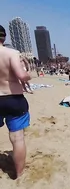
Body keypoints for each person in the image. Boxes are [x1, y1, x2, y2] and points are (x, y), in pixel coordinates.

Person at [0, 25, 31, 178]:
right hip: (13, 98)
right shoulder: (11, 53)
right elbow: (21, 75)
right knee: (17, 138)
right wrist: (28, 73)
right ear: (4, 37)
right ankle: (18, 174)